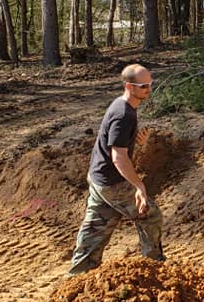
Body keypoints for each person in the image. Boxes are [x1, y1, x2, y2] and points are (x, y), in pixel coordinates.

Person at [68, 63, 165, 275]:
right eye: (143, 86)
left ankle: (78, 274)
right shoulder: (124, 115)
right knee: (150, 216)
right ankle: (154, 271)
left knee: (96, 228)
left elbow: (115, 144)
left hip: (99, 178)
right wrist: (139, 186)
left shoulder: (121, 106)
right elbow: (118, 157)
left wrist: (137, 142)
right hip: (112, 183)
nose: (148, 89)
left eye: (150, 84)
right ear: (129, 86)